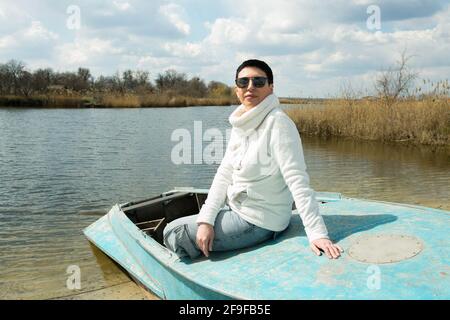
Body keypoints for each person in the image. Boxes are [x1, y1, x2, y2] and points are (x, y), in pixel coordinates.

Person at [163, 59, 343, 260]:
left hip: (259, 221)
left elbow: (297, 180)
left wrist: (317, 233)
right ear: (237, 89)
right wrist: (206, 220)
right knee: (188, 224)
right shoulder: (243, 123)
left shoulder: (278, 123)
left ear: (271, 87)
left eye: (258, 82)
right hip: (239, 208)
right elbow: (224, 174)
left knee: (173, 232)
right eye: (243, 82)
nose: (250, 87)